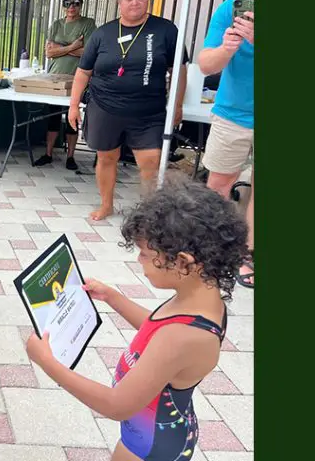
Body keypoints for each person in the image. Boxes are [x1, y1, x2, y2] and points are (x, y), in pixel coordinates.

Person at [26, 176, 248, 461]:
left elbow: (117, 405)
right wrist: (113, 298)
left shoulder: (183, 337)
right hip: (156, 429)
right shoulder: (201, 300)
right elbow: (157, 329)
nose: (139, 260)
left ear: (183, 262)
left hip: (150, 448)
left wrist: (47, 363)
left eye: (144, 254)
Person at [67, 0, 187, 221]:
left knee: (151, 160)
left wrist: (177, 104)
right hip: (105, 107)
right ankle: (106, 205)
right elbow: (83, 71)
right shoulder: (103, 33)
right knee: (106, 157)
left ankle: (150, 212)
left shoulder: (165, 30)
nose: (135, 3)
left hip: (148, 111)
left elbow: (179, 70)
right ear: (119, 1)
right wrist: (73, 105)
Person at [197, 0, 255, 289]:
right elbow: (206, 64)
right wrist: (228, 48)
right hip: (233, 113)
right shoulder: (230, 9)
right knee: (218, 183)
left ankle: (248, 254)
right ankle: (211, 248)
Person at [34, 0, 97, 171]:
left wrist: (60, 48)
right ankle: (48, 153)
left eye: (76, 3)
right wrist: (73, 46)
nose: (71, 7)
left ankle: (71, 156)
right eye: (68, 3)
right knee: (53, 116)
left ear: (81, 5)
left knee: (72, 117)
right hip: (55, 76)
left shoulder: (88, 24)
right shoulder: (56, 24)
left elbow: (89, 52)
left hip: (76, 78)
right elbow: (48, 52)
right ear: (63, 5)